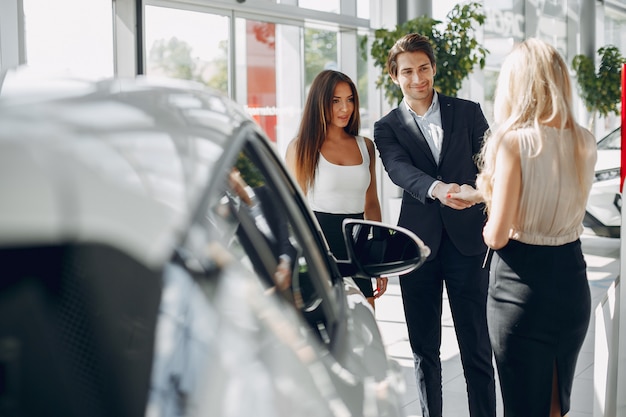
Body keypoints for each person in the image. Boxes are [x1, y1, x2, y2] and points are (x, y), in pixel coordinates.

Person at [373, 33, 496, 417]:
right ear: (395, 76)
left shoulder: (469, 111)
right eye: (407, 71)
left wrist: (476, 192)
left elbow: (492, 165)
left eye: (423, 68)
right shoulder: (387, 127)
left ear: (433, 68)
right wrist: (438, 189)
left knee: (476, 348)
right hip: (417, 247)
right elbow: (398, 170)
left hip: (468, 244)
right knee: (425, 351)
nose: (417, 78)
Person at [473, 38, 597, 417]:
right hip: (571, 281)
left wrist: (486, 196)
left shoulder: (514, 143)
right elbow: (552, 194)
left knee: (523, 407)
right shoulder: (585, 141)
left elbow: (496, 234)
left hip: (521, 289)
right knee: (556, 406)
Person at [285, 69, 387, 310]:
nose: (345, 108)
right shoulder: (301, 147)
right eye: (336, 101)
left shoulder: (366, 146)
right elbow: (293, 209)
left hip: (358, 250)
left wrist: (381, 260)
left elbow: (371, 204)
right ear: (320, 102)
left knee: (366, 326)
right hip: (318, 248)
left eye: (350, 99)